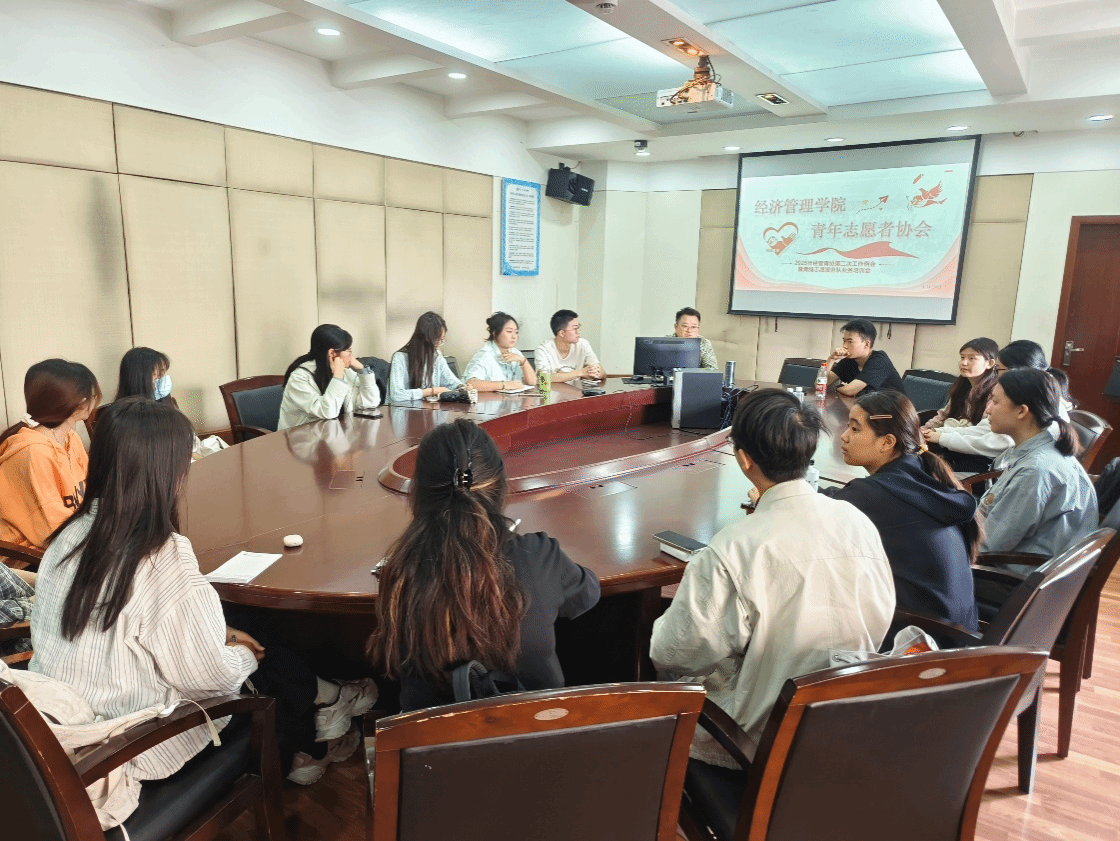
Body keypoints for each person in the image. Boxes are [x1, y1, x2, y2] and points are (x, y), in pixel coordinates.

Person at [29, 398, 378, 786]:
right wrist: (241, 653)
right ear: (170, 473)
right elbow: (212, 679)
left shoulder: (71, 536)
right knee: (261, 653)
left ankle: (324, 701)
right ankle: (308, 745)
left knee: (240, 621)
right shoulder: (161, 556)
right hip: (129, 744)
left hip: (63, 719)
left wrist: (224, 635)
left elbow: (143, 622)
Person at [650, 389, 894, 770]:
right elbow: (881, 615)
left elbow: (673, 653)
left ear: (744, 459)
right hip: (843, 727)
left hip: (753, 747)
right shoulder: (857, 522)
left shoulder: (734, 546)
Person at [368, 418, 600, 711]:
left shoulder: (400, 570)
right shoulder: (539, 554)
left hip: (430, 738)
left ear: (419, 492)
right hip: (536, 732)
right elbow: (588, 594)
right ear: (499, 486)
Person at [823, 390, 979, 630]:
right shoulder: (922, 474)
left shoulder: (874, 494)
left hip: (918, 641)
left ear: (887, 442)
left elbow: (821, 516)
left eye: (854, 429)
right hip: (957, 632)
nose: (844, 437)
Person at [979, 367, 1097, 556]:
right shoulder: (1039, 448)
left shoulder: (1035, 471)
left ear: (1022, 411)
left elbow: (985, 546)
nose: (987, 410)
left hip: (1008, 570)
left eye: (995, 402)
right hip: (1009, 553)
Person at [923, 340, 1072, 471]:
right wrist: (940, 433)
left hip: (992, 467)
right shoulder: (1031, 393)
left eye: (998, 369)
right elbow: (983, 429)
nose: (988, 410)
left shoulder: (1032, 400)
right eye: (962, 357)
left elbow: (996, 443)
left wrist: (943, 437)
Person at [0, 359, 100, 550]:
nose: (95, 400)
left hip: (68, 538)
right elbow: (52, 532)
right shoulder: (33, 453)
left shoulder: (71, 438)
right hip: (31, 557)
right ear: (80, 404)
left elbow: (90, 491)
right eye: (93, 396)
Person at [278, 324, 380, 430]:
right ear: (332, 353)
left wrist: (362, 370)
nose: (351, 355)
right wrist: (338, 377)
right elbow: (327, 411)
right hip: (301, 437)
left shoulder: (346, 372)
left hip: (333, 433)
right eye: (348, 350)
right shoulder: (299, 377)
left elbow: (370, 403)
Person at [922, 337, 1000, 430]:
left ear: (990, 363)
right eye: (962, 357)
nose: (964, 363)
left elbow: (984, 429)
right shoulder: (962, 385)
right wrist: (923, 431)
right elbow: (943, 415)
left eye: (972, 358)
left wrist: (941, 435)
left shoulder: (995, 391)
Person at [388, 311, 464, 402]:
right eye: (437, 340)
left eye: (442, 340)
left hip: (428, 408)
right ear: (425, 340)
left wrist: (462, 386)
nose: (438, 345)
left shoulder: (436, 356)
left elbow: (451, 382)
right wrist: (432, 391)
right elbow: (396, 395)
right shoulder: (400, 358)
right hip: (404, 409)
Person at [824, 318, 904, 396]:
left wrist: (837, 388)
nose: (844, 346)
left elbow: (850, 390)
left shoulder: (879, 360)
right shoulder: (849, 360)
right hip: (868, 404)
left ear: (866, 344)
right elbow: (822, 384)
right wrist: (831, 359)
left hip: (894, 404)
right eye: (844, 341)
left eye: (850, 341)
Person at [462, 312, 535, 392]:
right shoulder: (485, 355)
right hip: (490, 399)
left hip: (512, 398)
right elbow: (471, 384)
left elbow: (532, 382)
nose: (514, 336)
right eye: (509, 331)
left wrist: (523, 361)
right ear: (495, 333)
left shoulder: (515, 352)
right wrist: (504, 385)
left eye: (516, 332)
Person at [534, 310, 603, 384]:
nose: (578, 332)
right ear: (562, 333)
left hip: (576, 390)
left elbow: (601, 371)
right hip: (552, 391)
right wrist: (580, 373)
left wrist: (596, 373)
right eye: (575, 329)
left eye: (579, 328)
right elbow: (543, 377)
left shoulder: (583, 344)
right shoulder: (543, 350)